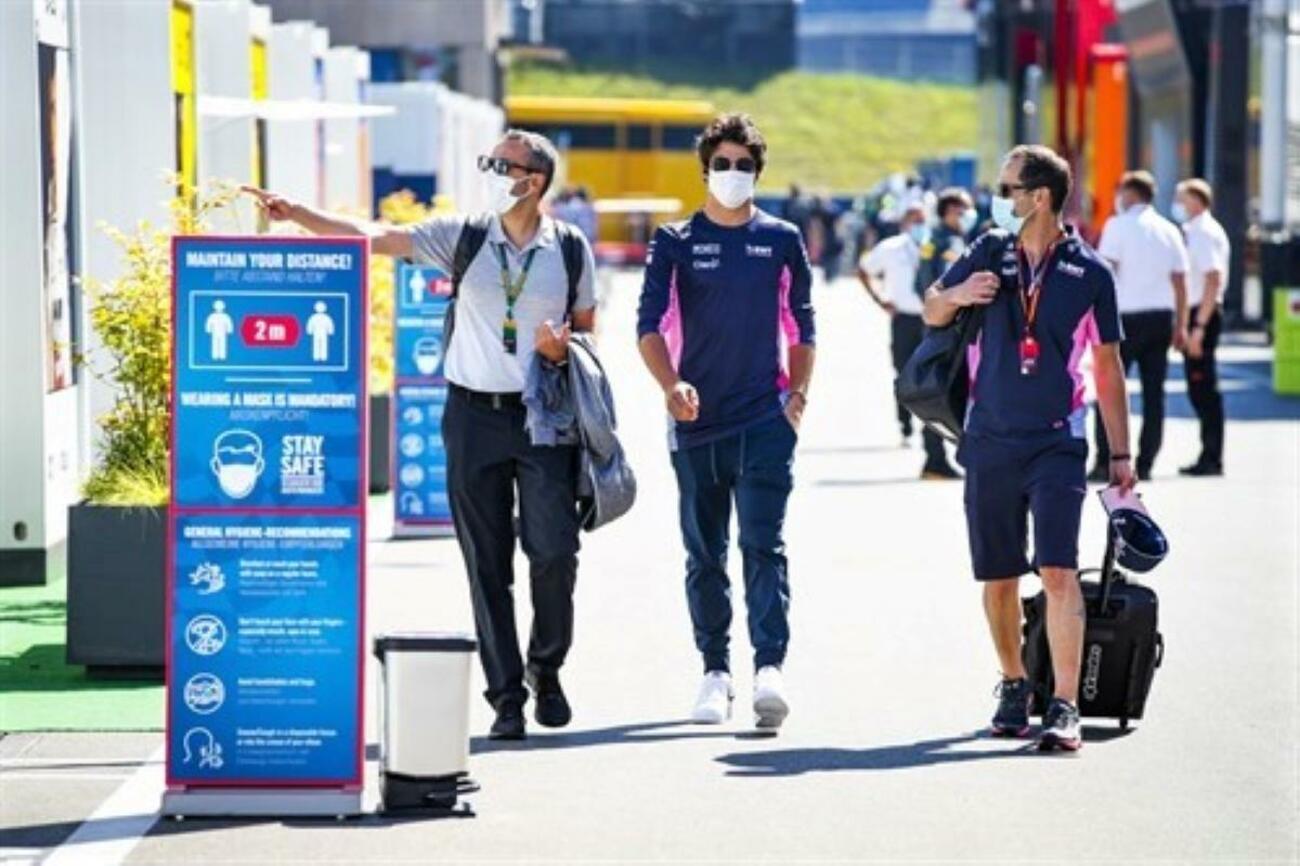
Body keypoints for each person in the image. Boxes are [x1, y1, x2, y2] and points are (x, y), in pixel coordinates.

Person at [243, 129, 599, 742]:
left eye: (499, 163)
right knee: (487, 565)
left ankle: (548, 668)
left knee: (555, 554)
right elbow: (374, 238)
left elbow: (589, 328)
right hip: (472, 416)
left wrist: (562, 349)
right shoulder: (462, 235)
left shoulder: (568, 247)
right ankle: (507, 696)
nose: (487, 169)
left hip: (546, 417)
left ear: (533, 181)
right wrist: (297, 212)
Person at [923, 144, 1135, 752]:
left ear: (1038, 196)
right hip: (987, 437)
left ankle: (1065, 703)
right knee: (998, 576)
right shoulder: (988, 250)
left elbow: (1108, 363)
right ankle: (1015, 684)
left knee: (1059, 568)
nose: (1001, 196)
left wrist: (1120, 457)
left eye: (1009, 187)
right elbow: (932, 308)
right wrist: (963, 294)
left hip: (1056, 441)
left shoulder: (1090, 273)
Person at [636, 113, 815, 731]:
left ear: (758, 172)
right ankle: (715, 671)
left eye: (743, 165)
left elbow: (802, 324)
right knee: (703, 554)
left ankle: (770, 667)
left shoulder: (783, 238)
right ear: (705, 169)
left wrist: (798, 398)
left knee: (764, 546)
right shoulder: (675, 240)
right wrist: (670, 384)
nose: (732, 174)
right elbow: (649, 325)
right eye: (722, 164)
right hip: (695, 423)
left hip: (765, 420)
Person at [1091, 170, 1189, 481]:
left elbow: (1104, 275)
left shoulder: (1117, 226)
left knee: (1108, 388)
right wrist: (1181, 324)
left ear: (1130, 194)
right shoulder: (1169, 230)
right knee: (1153, 393)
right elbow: (1180, 281)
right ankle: (1146, 462)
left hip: (1124, 318)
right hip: (1161, 318)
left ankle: (1105, 459)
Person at [858, 202, 960, 479]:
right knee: (904, 374)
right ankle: (905, 423)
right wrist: (880, 300)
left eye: (921, 219)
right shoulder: (891, 247)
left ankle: (932, 450)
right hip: (904, 319)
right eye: (913, 220)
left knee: (931, 382)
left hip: (932, 321)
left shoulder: (936, 245)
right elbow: (863, 269)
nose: (918, 225)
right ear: (904, 223)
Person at [1173, 178, 1231, 476]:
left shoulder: (1204, 232)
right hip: (1198, 313)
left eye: (1181, 198)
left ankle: (1212, 457)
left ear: (1196, 200)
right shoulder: (1194, 231)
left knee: (1204, 388)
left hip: (1203, 314)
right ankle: (1208, 454)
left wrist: (1198, 326)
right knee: (1199, 388)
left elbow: (1213, 278)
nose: (1178, 205)